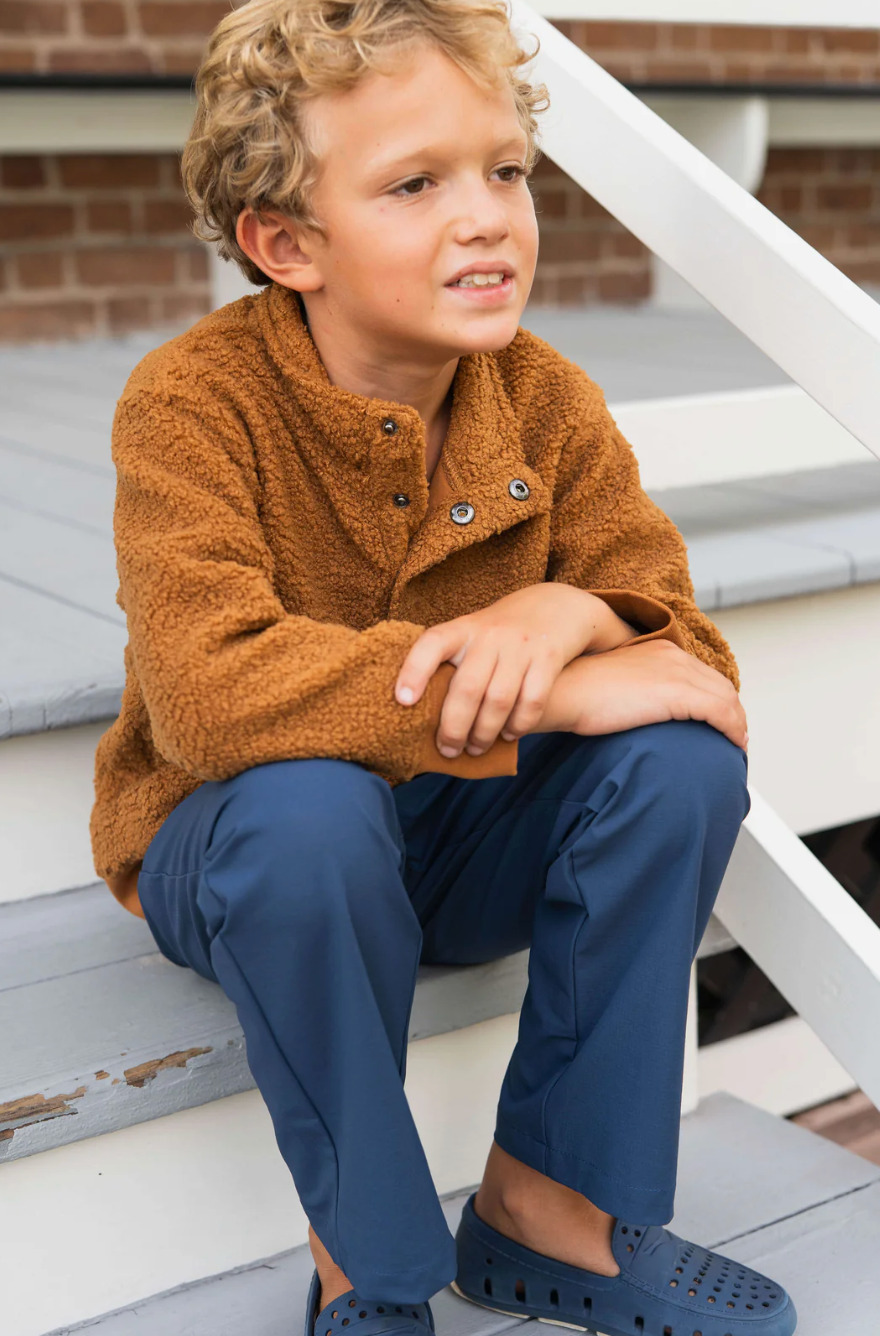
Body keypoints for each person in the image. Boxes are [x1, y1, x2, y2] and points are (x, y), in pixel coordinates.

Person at [89, 2, 796, 1334]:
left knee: (678, 764)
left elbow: (688, 662)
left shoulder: (546, 399)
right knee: (309, 811)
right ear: (286, 243)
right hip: (250, 852)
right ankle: (366, 1270)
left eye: (505, 170)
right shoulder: (191, 403)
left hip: (459, 838)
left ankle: (549, 1211)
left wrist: (565, 613)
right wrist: (559, 683)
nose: (486, 218)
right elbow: (208, 690)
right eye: (415, 184)